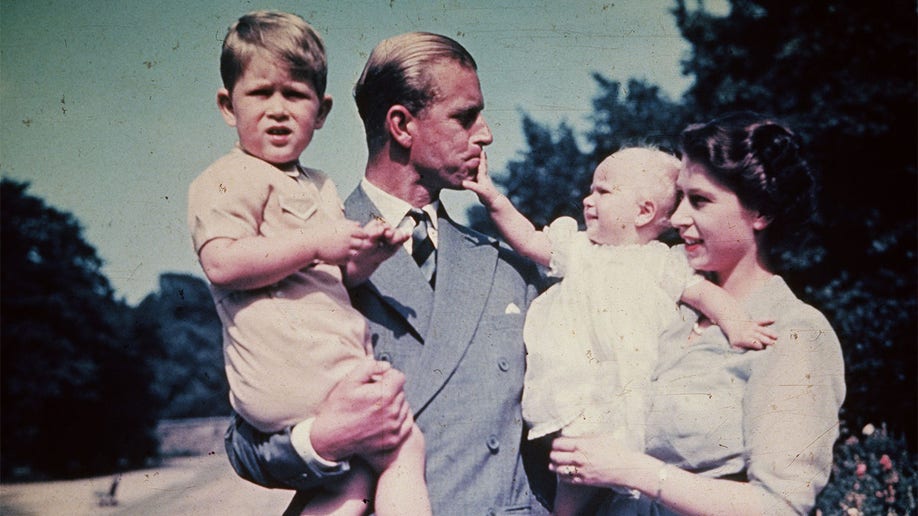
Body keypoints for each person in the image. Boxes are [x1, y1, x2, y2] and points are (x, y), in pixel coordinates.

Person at [223, 31, 552, 515]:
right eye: (465, 116)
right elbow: (246, 444)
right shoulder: (299, 254)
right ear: (401, 124)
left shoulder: (507, 266)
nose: (486, 134)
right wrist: (324, 439)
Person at [187, 11, 431, 515]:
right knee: (405, 445)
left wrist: (367, 257)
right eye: (260, 93)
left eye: (295, 95)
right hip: (288, 370)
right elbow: (222, 264)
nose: (278, 110)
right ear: (227, 105)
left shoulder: (318, 184)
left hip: (325, 366)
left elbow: (334, 276)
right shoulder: (226, 179)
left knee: (355, 478)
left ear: (320, 112)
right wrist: (318, 240)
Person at [548, 112, 846, 515]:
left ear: (760, 212)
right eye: (680, 197)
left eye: (700, 200)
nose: (677, 218)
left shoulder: (795, 332)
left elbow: (781, 506)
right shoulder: (663, 302)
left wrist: (635, 471)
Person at [464, 146, 776, 515]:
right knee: (575, 469)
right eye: (591, 189)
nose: (587, 199)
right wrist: (493, 198)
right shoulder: (579, 249)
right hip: (575, 390)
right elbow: (530, 239)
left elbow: (706, 294)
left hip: (627, 391)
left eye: (603, 191)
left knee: (607, 473)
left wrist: (737, 324)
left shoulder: (661, 263)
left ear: (643, 211)